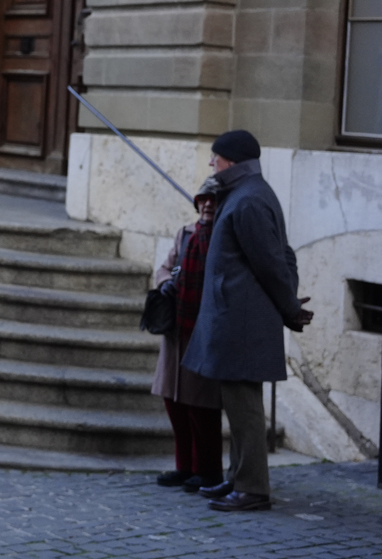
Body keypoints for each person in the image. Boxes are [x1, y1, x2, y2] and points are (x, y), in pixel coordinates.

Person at [181, 130, 311, 513]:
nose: (210, 162)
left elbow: (273, 262)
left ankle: (252, 488)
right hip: (235, 317)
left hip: (241, 320)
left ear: (233, 161)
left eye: (215, 157)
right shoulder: (242, 193)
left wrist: (289, 307)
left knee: (245, 407)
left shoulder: (249, 198)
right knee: (236, 403)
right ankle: (238, 477)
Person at [150, 189, 222, 492]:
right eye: (202, 199)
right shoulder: (186, 234)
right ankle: (184, 467)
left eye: (213, 200)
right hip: (177, 327)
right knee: (174, 403)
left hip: (203, 329)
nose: (207, 205)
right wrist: (167, 281)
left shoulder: (223, 236)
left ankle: (208, 470)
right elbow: (171, 267)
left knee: (201, 406)